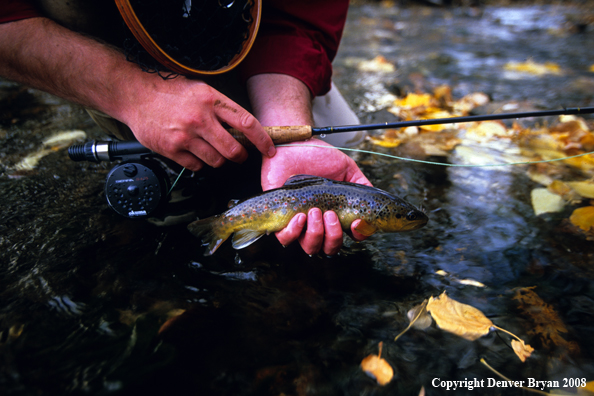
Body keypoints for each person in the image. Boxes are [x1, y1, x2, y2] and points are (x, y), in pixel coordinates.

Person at [0, 0, 372, 256]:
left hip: (245, 34)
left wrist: (285, 127)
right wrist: (134, 94)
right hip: (100, 46)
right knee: (166, 227)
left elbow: (298, 16)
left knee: (347, 141)